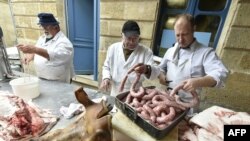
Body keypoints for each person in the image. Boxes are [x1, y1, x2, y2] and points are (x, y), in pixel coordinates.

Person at [134, 14, 229, 103]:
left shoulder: (206, 52)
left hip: (189, 104)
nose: (180, 39)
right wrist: (160, 75)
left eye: (185, 34)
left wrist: (198, 82)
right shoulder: (170, 51)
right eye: (177, 35)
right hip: (168, 99)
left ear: (193, 29)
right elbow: (161, 69)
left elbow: (221, 73)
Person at [100, 20, 158, 97]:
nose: (132, 42)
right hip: (115, 90)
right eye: (128, 38)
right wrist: (106, 78)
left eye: (135, 38)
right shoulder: (113, 48)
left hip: (135, 92)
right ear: (122, 35)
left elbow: (155, 72)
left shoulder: (146, 51)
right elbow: (106, 67)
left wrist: (146, 69)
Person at [17, 13, 75, 83]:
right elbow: (38, 50)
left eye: (46, 27)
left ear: (56, 27)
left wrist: (34, 49)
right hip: (42, 77)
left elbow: (55, 56)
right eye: (42, 26)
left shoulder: (64, 42)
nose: (44, 30)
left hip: (58, 80)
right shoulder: (42, 38)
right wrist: (31, 56)